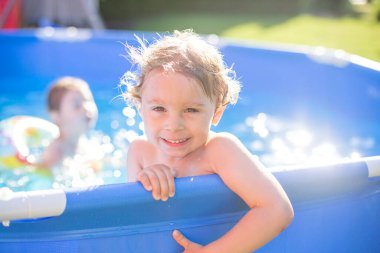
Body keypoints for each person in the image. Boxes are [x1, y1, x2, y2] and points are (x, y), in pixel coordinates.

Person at [123, 30, 294, 252]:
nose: (173, 125)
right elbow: (131, 224)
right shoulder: (140, 152)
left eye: (191, 110)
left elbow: (276, 210)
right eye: (158, 108)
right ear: (140, 107)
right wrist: (144, 180)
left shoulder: (219, 151)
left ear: (216, 113)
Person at [38, 76, 99, 169]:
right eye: (76, 105)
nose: (86, 108)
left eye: (88, 100)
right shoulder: (55, 152)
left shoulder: (89, 145)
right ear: (56, 116)